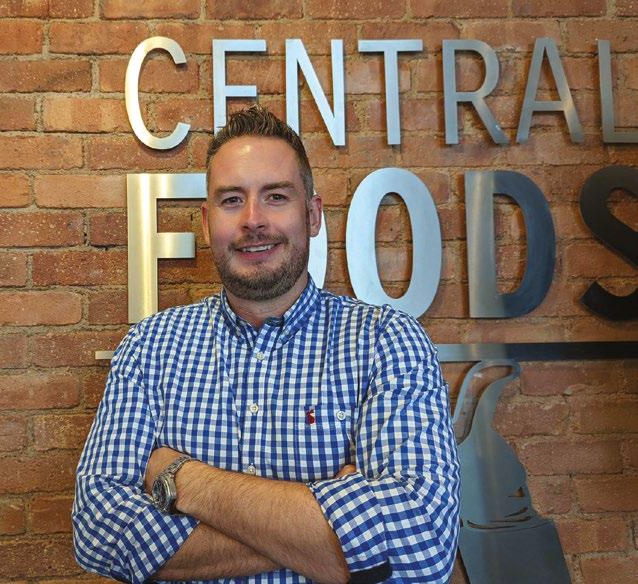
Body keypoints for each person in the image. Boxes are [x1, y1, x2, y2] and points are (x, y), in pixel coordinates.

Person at [73, 106, 460, 583]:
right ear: (206, 221)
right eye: (231, 200)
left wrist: (183, 478)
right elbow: (98, 533)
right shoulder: (149, 348)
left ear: (311, 215)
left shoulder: (386, 342)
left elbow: (422, 544)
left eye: (276, 196)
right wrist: (323, 523)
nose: (253, 220)